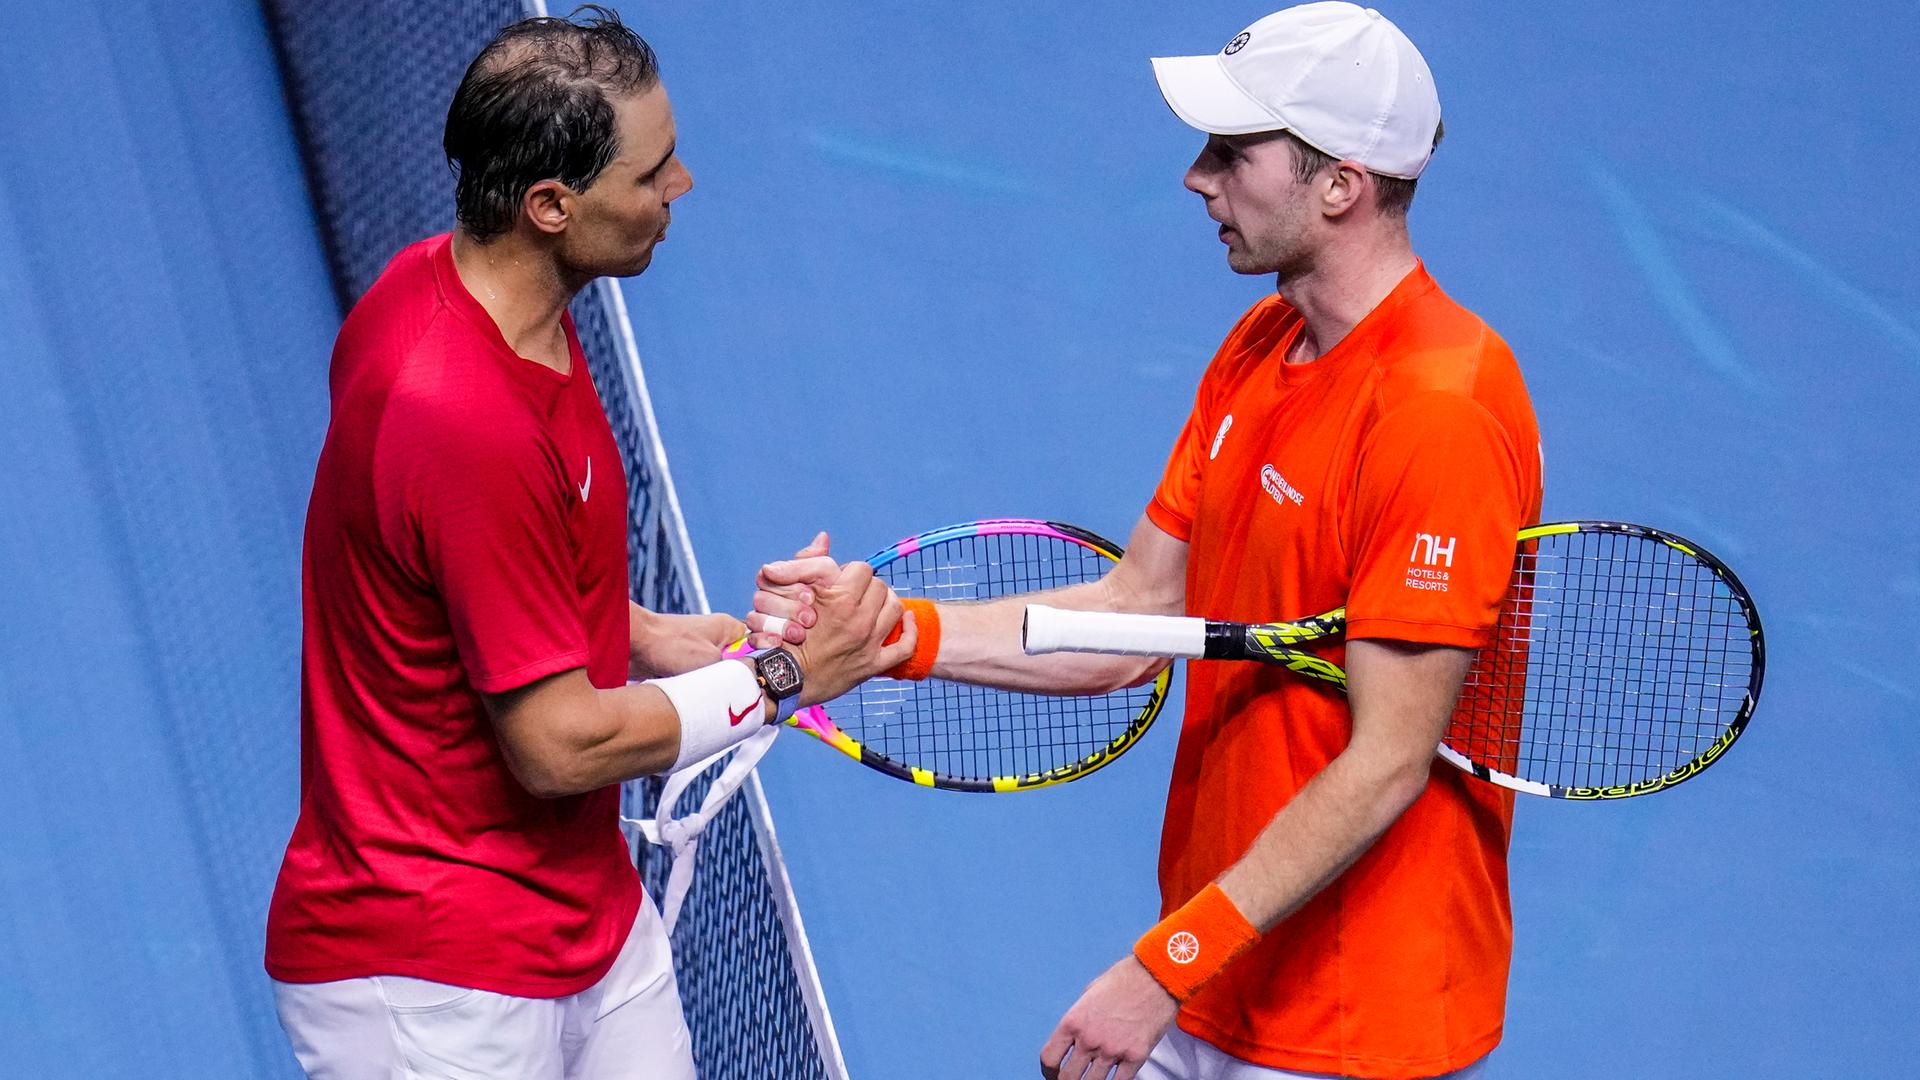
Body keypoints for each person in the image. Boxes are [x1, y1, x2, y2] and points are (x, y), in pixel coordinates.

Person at [753, 5, 1542, 1079]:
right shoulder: (1266, 340)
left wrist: (1164, 966)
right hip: (1223, 964)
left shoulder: (1438, 411)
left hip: (1349, 1022)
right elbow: (1139, 617)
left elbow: (1389, 758)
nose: (1195, 177)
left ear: (1341, 185)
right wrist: (886, 635)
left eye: (1232, 152)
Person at [264, 8, 912, 1077]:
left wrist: (650, 637)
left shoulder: (471, 295)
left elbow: (479, 582)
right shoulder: (458, 414)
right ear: (552, 205)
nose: (682, 188)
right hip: (431, 974)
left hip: (590, 926)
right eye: (652, 173)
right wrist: (787, 678)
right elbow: (556, 745)